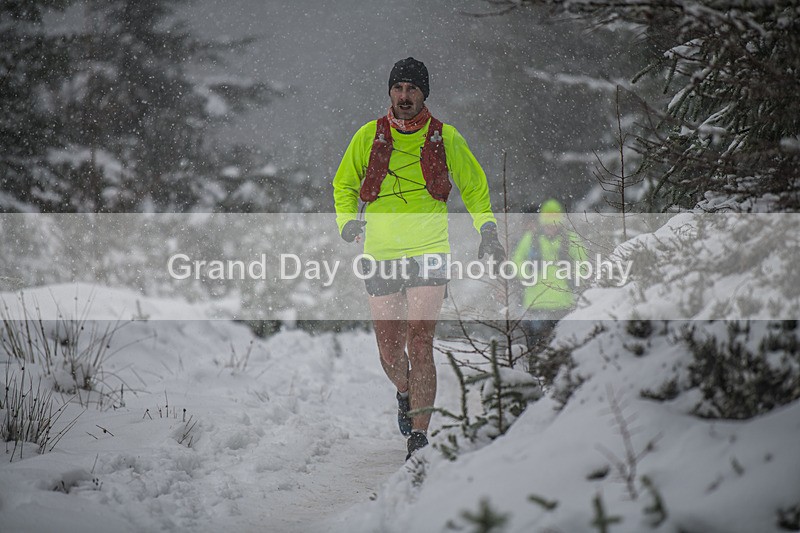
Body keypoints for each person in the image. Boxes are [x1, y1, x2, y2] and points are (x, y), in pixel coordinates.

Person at [333, 57, 505, 460]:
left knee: (421, 341)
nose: (405, 96)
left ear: (424, 93)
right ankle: (405, 391)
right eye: (399, 88)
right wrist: (346, 223)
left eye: (413, 89)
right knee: (391, 352)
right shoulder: (367, 137)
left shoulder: (446, 137)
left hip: (430, 251)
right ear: (390, 92)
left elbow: (475, 188)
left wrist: (488, 230)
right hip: (380, 253)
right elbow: (343, 184)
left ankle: (420, 436)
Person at [512, 199, 588, 352]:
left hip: (563, 304)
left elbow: (583, 263)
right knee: (535, 349)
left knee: (561, 348)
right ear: (542, 223)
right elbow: (517, 261)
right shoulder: (531, 238)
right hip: (535, 304)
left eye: (554, 223)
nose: (551, 227)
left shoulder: (571, 239)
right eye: (547, 223)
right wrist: (527, 273)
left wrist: (574, 274)